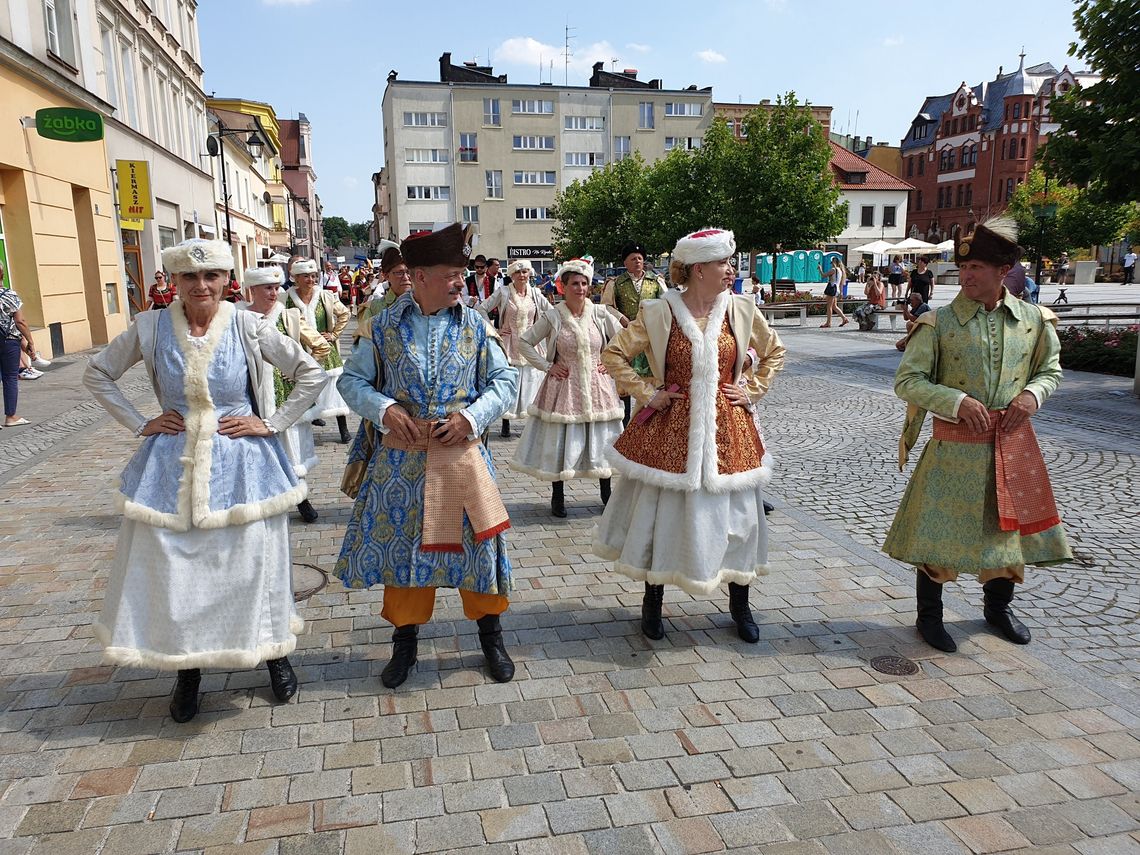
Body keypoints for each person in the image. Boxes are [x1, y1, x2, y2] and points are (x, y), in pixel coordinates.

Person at [82, 238, 328, 722]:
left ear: (225, 280)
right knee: (179, 572)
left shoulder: (247, 324)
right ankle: (187, 671)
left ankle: (274, 653)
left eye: (211, 276)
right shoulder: (150, 327)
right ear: (174, 282)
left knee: (252, 563)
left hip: (243, 464)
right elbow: (97, 373)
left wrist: (272, 422)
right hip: (171, 464)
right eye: (190, 277)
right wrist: (140, 422)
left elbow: (311, 372)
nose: (201, 285)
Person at [335, 223, 519, 688]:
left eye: (462, 272)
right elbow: (350, 382)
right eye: (450, 273)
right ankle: (405, 646)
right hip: (402, 465)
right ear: (417, 276)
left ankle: (491, 639)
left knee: (478, 551)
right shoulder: (381, 326)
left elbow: (505, 382)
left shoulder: (476, 324)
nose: (461, 281)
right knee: (406, 556)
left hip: (461, 458)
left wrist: (472, 419)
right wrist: (383, 408)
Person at [884, 217, 1071, 653]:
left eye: (978, 267)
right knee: (936, 535)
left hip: (1010, 446)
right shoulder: (940, 323)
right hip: (953, 449)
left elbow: (1051, 370)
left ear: (1003, 270)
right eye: (963, 268)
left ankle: (997, 609)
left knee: (1005, 534)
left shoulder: (1032, 320)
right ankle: (929, 617)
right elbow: (907, 381)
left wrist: (1032, 395)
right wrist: (956, 402)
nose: (966, 275)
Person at [594, 228, 786, 643]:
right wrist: (649, 392)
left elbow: (774, 351)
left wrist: (750, 389)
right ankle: (652, 603)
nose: (731, 270)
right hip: (672, 433)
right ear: (699, 269)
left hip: (728, 432)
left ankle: (740, 605)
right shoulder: (660, 312)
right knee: (664, 518)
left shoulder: (740, 309)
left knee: (738, 520)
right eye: (723, 263)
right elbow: (612, 354)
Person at [513, 257, 623, 517]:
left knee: (601, 437)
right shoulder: (553, 316)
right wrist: (547, 365)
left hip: (597, 386)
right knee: (561, 440)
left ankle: (606, 493)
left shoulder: (599, 313)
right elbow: (525, 342)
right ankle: (558, 495)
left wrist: (610, 361)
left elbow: (624, 339)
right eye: (575, 283)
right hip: (564, 387)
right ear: (563, 286)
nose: (581, 288)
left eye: (585, 283)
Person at [239, 265, 330, 524]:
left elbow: (321, 347)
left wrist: (296, 372)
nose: (273, 293)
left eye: (276, 288)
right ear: (251, 290)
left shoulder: (287, 316)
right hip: (251, 398)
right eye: (267, 288)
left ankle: (301, 500)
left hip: (283, 399)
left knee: (292, 453)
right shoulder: (238, 316)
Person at [477, 258, 553, 438]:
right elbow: (481, 308)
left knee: (531, 382)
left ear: (529, 274)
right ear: (511, 275)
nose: (522, 275)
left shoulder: (535, 293)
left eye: (525, 272)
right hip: (509, 343)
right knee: (510, 381)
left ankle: (530, 422)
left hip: (530, 345)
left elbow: (552, 312)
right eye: (518, 272)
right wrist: (493, 329)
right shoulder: (503, 292)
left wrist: (543, 330)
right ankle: (505, 420)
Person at [281, 259, 352, 443]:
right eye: (306, 276)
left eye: (313, 276)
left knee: (333, 389)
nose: (311, 280)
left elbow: (344, 313)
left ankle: (343, 429)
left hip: (326, 351)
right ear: (295, 278)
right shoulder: (286, 298)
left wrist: (334, 334)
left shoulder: (325, 296)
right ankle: (308, 426)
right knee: (304, 388)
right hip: (300, 351)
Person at [601, 242, 668, 424]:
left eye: (640, 258)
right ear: (625, 262)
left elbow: (667, 304)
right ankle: (623, 423)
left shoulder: (656, 282)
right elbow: (606, 306)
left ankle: (647, 422)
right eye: (633, 259)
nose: (637, 261)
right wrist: (622, 319)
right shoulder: (616, 283)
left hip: (650, 340)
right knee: (625, 382)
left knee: (651, 378)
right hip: (627, 337)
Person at [1, 267, 38, 427]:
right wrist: (30, 341)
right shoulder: (9, 295)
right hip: (8, 341)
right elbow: (20, 321)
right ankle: (11, 417)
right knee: (10, 378)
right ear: (2, 275)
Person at [818, 256, 849, 328]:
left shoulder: (833, 270)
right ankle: (844, 319)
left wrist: (820, 269)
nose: (831, 264)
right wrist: (841, 292)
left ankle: (828, 323)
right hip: (836, 289)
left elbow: (823, 275)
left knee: (829, 306)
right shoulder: (841, 270)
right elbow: (841, 283)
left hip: (832, 289)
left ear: (834, 262)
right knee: (834, 306)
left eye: (832, 262)